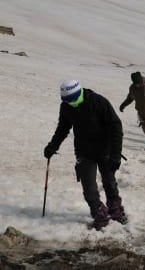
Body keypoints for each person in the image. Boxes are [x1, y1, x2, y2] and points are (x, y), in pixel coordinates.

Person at [43, 80, 127, 230]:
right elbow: (63, 128)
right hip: (84, 151)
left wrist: (116, 155)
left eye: (73, 99)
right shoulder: (67, 107)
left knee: (109, 182)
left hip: (105, 150)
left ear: (79, 93)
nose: (71, 103)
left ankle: (116, 211)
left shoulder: (98, 102)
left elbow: (116, 127)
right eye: (67, 100)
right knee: (88, 188)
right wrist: (52, 146)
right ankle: (100, 214)